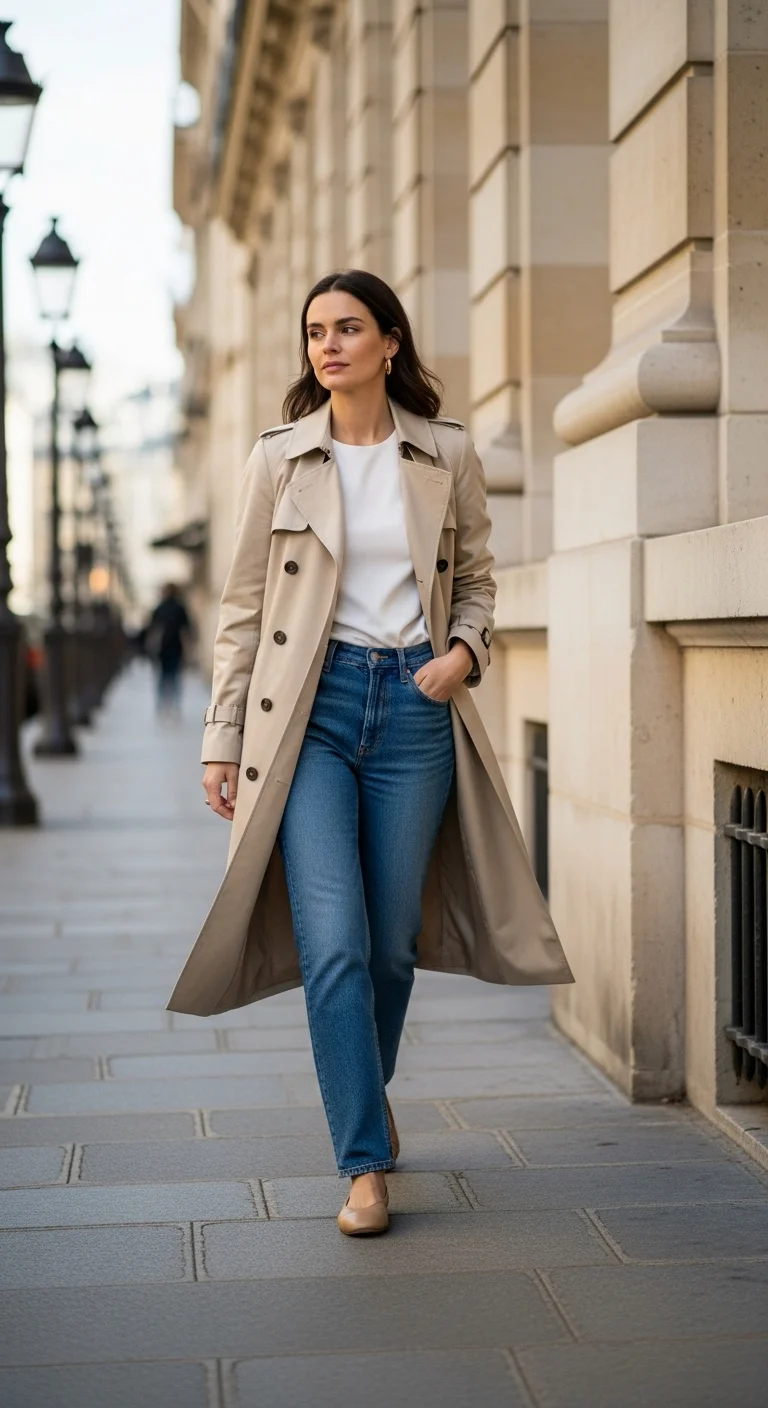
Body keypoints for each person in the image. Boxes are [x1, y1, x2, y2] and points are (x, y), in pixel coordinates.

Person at [166, 269, 573, 1236]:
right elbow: (242, 612)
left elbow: (476, 578)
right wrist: (221, 741)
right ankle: (362, 1161)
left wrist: (464, 653)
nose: (328, 345)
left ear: (390, 342)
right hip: (309, 714)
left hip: (415, 709)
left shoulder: (447, 454)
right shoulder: (279, 460)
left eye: (348, 328)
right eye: (315, 332)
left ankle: (365, 1090)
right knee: (335, 941)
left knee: (392, 942)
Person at [146, 583, 191, 717]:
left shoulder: (160, 608)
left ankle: (161, 707)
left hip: (164, 648)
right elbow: (187, 630)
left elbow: (152, 629)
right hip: (176, 647)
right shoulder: (180, 608)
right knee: (175, 678)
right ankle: (175, 707)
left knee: (163, 677)